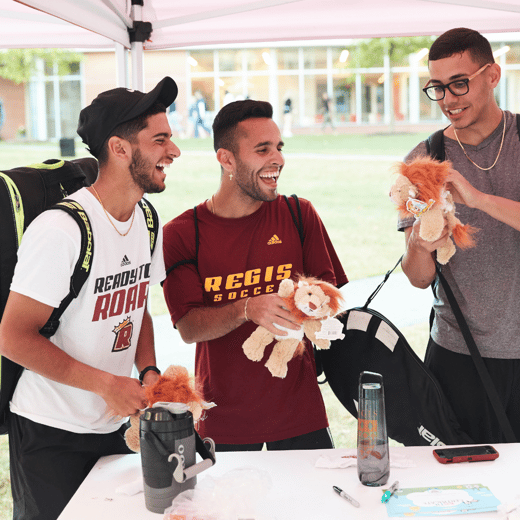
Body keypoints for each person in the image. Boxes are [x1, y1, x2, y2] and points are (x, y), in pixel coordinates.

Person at [0, 76, 180, 519]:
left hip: (113, 425)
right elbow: (13, 338)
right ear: (119, 149)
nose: (173, 152)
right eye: (160, 140)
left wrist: (149, 371)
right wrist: (105, 385)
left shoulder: (146, 219)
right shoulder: (61, 230)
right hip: (50, 434)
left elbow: (137, 307)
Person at [162, 99, 347, 452]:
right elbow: (188, 328)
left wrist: (312, 306)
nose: (277, 159)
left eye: (279, 147)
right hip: (223, 420)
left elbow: (330, 299)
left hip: (300, 417)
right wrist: (247, 308)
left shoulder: (299, 213)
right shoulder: (184, 233)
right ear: (226, 159)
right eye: (263, 149)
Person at [400, 27, 520, 443]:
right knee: (464, 483)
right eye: (438, 88)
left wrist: (479, 199)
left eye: (459, 83)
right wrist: (419, 241)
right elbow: (418, 277)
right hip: (459, 353)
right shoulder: (423, 159)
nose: (449, 100)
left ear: (493, 75)